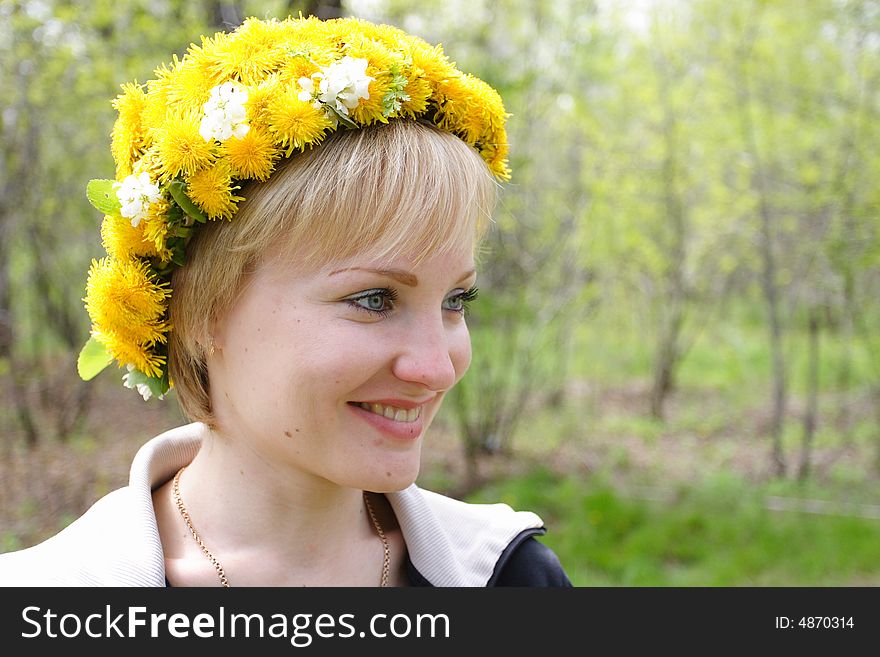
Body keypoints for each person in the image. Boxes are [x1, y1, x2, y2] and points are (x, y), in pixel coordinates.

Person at [0, 15, 571, 587]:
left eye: (455, 299)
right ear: (202, 309)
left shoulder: (508, 577)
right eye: (374, 299)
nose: (436, 368)